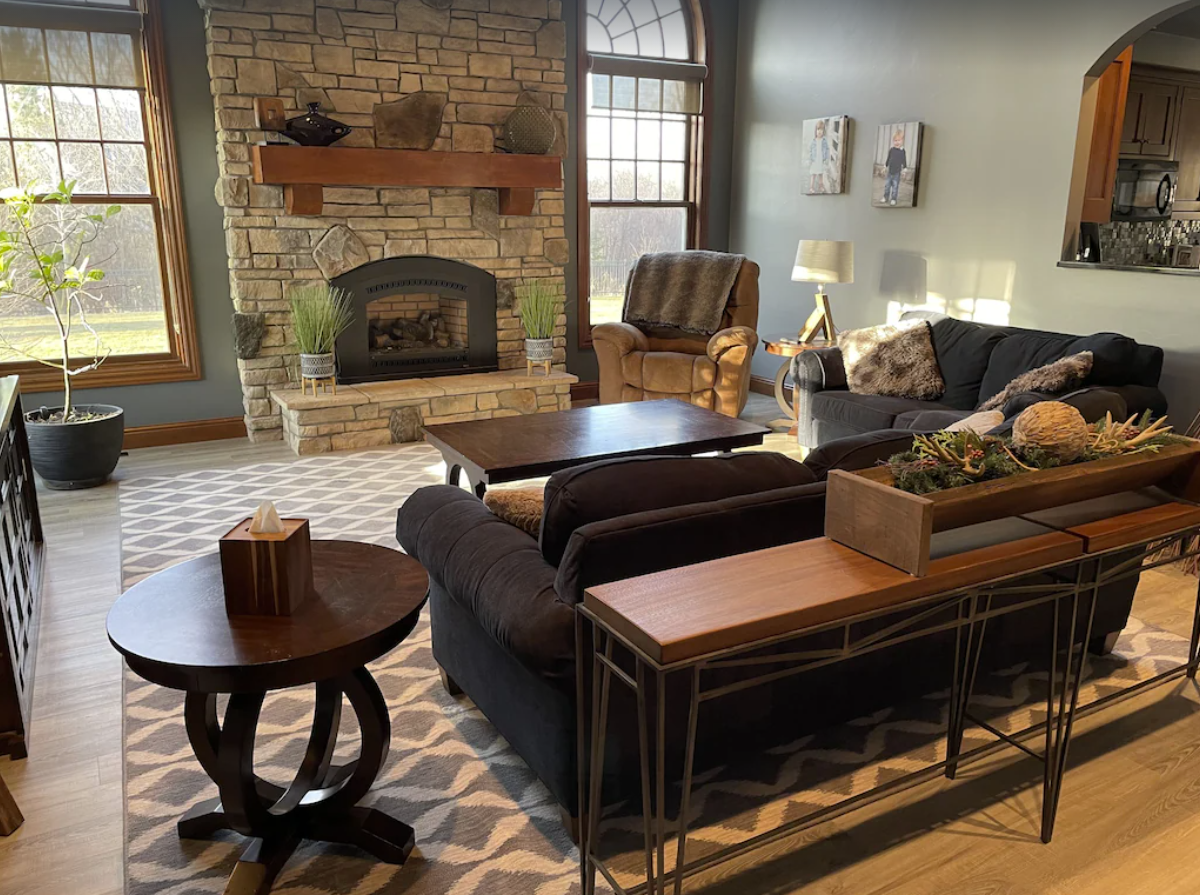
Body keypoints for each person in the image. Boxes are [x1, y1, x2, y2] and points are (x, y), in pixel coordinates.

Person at [883, 128, 906, 206]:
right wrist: (885, 166)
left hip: (897, 172)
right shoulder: (891, 150)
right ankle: (885, 197)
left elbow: (904, 160)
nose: (897, 142)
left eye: (899, 140)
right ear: (893, 141)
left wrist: (904, 169)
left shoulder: (902, 151)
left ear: (902, 141)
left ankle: (893, 199)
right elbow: (888, 158)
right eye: (895, 140)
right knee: (887, 185)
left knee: (895, 186)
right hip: (890, 171)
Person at [809, 119, 829, 193]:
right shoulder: (814, 141)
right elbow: (811, 150)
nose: (819, 131)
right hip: (815, 160)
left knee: (820, 174)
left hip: (821, 160)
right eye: (818, 129)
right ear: (815, 131)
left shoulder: (824, 141)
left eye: (821, 129)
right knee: (813, 174)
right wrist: (811, 159)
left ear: (823, 131)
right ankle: (811, 187)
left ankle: (821, 186)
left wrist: (826, 158)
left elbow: (827, 149)